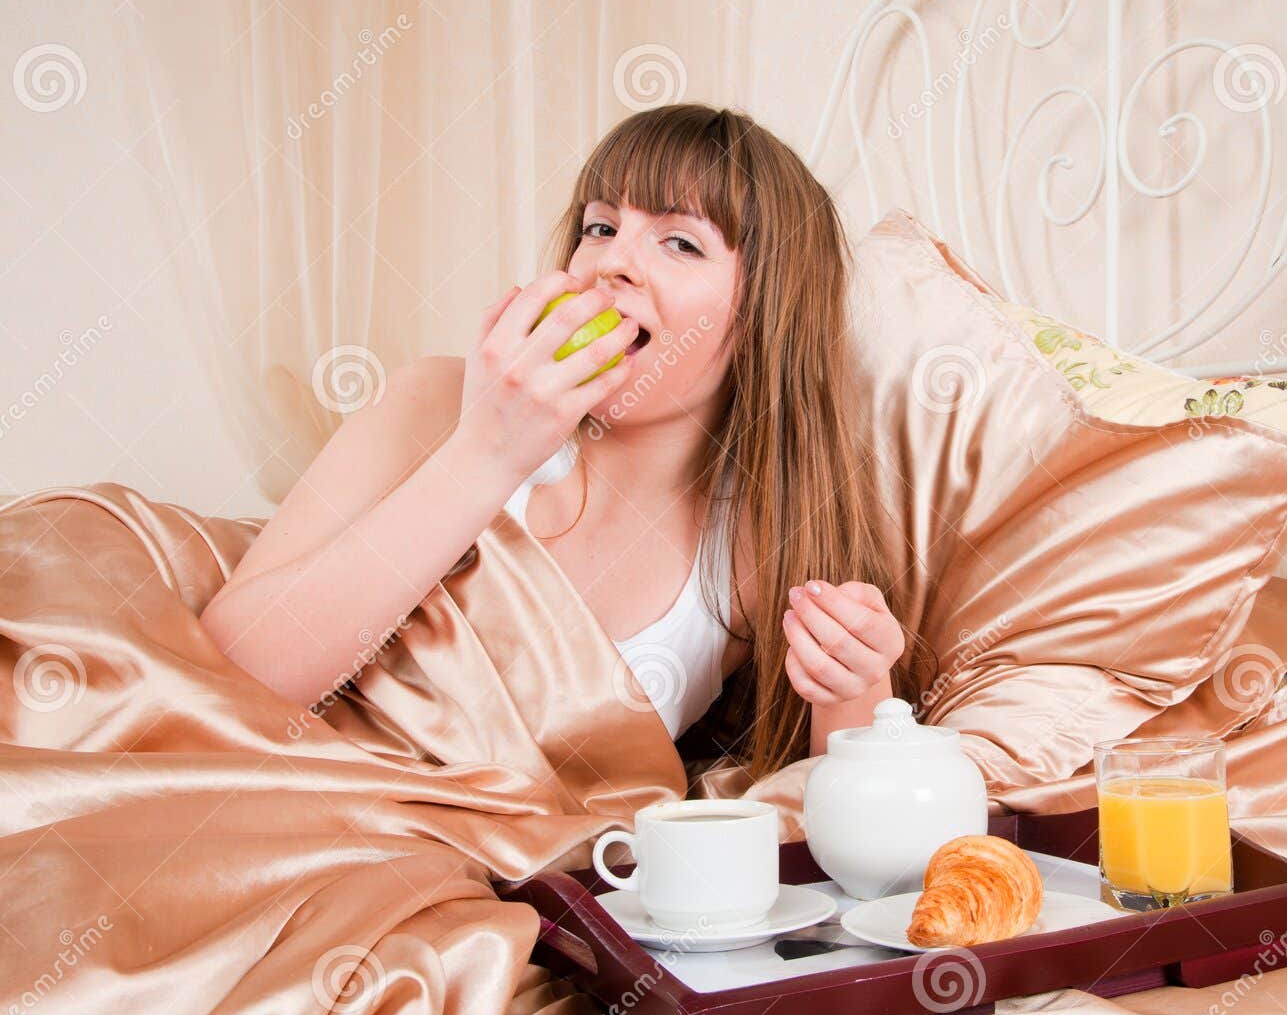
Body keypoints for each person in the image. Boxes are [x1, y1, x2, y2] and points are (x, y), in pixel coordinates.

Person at [199, 104, 933, 782]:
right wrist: (484, 454)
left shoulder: (755, 550)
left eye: (680, 242)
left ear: (766, 321)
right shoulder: (433, 406)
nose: (610, 261)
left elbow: (845, 831)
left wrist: (857, 691)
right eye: (601, 226)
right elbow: (232, 679)